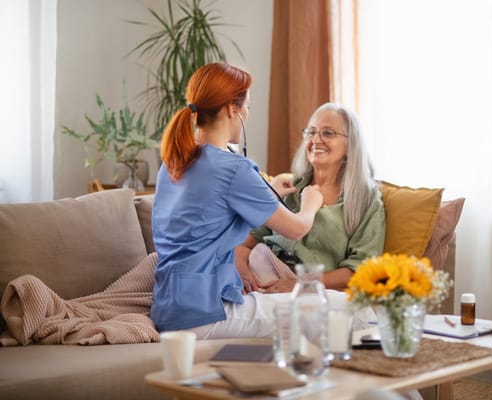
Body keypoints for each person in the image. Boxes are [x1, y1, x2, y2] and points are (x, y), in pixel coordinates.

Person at [150, 62, 325, 337]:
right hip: (203, 314)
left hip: (168, 308)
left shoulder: (173, 162)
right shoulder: (234, 169)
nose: (246, 113)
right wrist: (310, 204)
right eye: (247, 107)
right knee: (346, 308)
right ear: (233, 109)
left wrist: (270, 190)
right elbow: (296, 228)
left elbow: (211, 211)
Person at [235, 102, 386, 294]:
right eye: (311, 132)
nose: (316, 140)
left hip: (315, 290)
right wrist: (243, 272)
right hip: (262, 276)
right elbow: (244, 244)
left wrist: (302, 283)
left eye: (328, 133)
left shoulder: (367, 198)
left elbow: (361, 269)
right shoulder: (287, 188)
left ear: (350, 145)